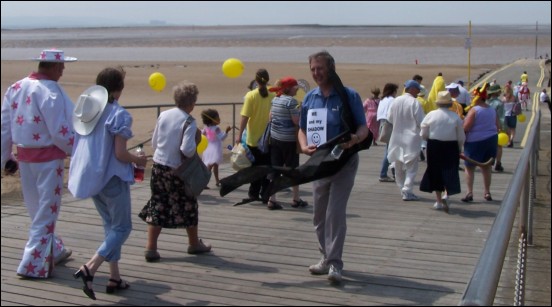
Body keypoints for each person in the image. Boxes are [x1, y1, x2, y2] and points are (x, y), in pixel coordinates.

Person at [69, 67, 147, 300]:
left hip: (92, 176)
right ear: (118, 89)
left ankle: (114, 276)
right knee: (123, 228)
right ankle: (90, 267)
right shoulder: (118, 114)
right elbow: (121, 154)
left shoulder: (87, 112)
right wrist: (139, 159)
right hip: (112, 178)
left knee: (110, 227)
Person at [1, 49, 76, 278]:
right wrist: (78, 151)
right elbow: (60, 130)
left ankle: (55, 249)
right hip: (49, 159)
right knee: (46, 210)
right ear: (53, 67)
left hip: (25, 158)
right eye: (61, 67)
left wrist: (5, 157)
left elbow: (4, 127)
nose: (62, 71)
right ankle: (32, 263)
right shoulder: (51, 91)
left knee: (37, 209)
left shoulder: (15, 88)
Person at [298, 50, 368, 283]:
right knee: (319, 216)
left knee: (335, 213)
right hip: (320, 163)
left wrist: (356, 139)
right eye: (313, 69)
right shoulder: (310, 98)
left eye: (320, 68)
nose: (317, 73)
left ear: (331, 68)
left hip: (344, 162)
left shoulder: (348, 95)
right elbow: (302, 129)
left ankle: (335, 264)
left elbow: (362, 127)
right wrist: (304, 145)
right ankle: (325, 258)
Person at [139, 81, 212, 263]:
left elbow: (155, 143)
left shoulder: (164, 115)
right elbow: (187, 150)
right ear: (192, 102)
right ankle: (194, 243)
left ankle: (151, 247)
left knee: (158, 203)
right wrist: (195, 141)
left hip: (158, 166)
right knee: (189, 203)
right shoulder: (189, 121)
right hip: (176, 169)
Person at [420, 91, 465, 213]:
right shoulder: (455, 116)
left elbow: (423, 132)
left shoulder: (431, 115)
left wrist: (426, 139)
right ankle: (447, 194)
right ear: (449, 104)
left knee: (435, 171)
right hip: (451, 145)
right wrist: (459, 147)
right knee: (450, 170)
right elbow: (461, 136)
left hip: (434, 144)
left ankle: (439, 201)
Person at [235, 69, 275, 207]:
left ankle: (253, 193)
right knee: (266, 167)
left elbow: (244, 117)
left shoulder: (251, 95)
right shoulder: (273, 94)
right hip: (268, 138)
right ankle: (265, 193)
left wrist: (239, 135)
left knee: (255, 167)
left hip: (253, 139)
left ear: (256, 80)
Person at [266, 76, 308, 209]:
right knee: (293, 169)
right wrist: (301, 112)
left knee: (275, 168)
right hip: (289, 140)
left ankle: (272, 200)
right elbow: (296, 121)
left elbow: (270, 117)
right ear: (289, 88)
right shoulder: (291, 102)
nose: (297, 90)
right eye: (296, 88)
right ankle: (295, 198)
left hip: (275, 138)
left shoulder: (275, 99)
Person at [387, 80, 426, 201]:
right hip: (411, 138)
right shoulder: (414, 103)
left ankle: (402, 189)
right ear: (412, 89)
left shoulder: (396, 101)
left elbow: (389, 118)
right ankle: (407, 190)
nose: (419, 92)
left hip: (397, 137)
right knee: (411, 167)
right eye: (418, 89)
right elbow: (421, 121)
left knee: (398, 165)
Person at [461, 83, 499, 202]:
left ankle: (469, 192)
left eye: (473, 97)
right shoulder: (492, 110)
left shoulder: (474, 111)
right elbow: (498, 126)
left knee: (469, 167)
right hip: (491, 139)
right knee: (486, 167)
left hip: (475, 141)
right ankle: (487, 192)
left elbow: (466, 128)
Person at [200, 108, 231, 187]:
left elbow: (202, 134)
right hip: (215, 149)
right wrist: (226, 132)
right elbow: (222, 137)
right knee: (212, 166)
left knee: (212, 165)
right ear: (212, 120)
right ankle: (205, 182)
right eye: (217, 118)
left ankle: (214, 181)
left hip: (208, 148)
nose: (219, 119)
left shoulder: (206, 127)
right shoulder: (216, 129)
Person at [376, 83, 399, 182]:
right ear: (393, 91)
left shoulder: (382, 100)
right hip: (389, 125)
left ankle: (389, 173)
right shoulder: (392, 101)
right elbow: (393, 115)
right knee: (390, 150)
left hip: (382, 124)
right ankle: (384, 174)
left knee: (389, 149)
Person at [486, 84, 505, 172]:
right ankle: (498, 163)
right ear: (497, 92)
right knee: (499, 146)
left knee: (487, 144)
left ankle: (488, 160)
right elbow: (501, 118)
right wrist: (502, 128)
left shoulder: (485, 102)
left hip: (485, 126)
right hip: (495, 127)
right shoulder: (499, 103)